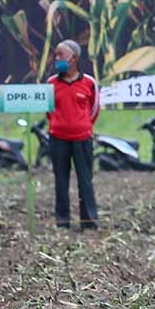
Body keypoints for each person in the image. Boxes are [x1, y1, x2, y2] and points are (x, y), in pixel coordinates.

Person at [46, 39, 100, 230]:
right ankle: (62, 221)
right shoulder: (51, 83)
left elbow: (94, 109)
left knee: (85, 180)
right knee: (60, 180)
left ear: (74, 58)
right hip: (57, 139)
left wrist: (83, 126)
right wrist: (58, 125)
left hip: (82, 139)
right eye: (56, 54)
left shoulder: (89, 82)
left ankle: (89, 221)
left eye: (61, 54)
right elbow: (48, 110)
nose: (57, 58)